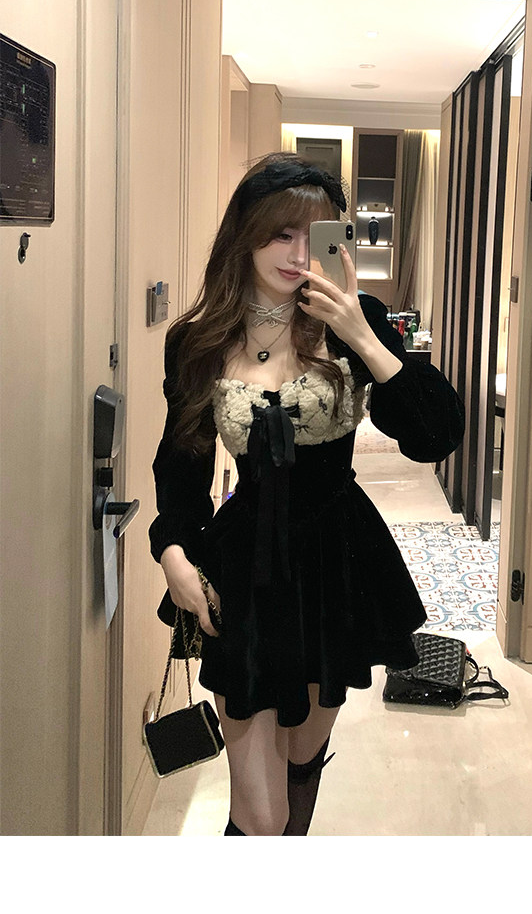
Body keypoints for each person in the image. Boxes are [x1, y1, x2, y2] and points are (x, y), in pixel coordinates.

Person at [149, 153, 465, 836]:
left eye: (313, 236)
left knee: (299, 766)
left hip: (337, 566)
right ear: (246, 234)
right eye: (280, 233)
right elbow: (180, 466)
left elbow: (436, 434)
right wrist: (173, 550)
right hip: (246, 569)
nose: (297, 255)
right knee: (259, 816)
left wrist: (362, 336)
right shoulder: (199, 339)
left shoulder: (355, 319)